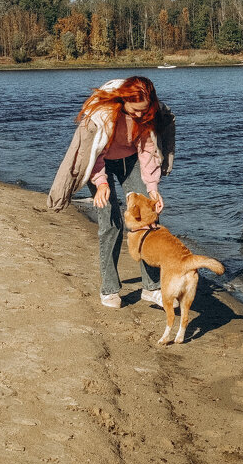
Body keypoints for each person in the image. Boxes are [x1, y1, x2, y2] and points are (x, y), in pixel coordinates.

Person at [47, 76, 175, 309]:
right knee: (111, 223)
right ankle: (109, 289)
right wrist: (101, 183)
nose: (138, 116)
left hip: (130, 160)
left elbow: (147, 150)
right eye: (135, 110)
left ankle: (151, 287)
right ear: (123, 100)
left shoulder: (146, 113)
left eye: (143, 111)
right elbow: (91, 152)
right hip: (99, 163)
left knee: (148, 218)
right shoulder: (103, 114)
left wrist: (152, 188)